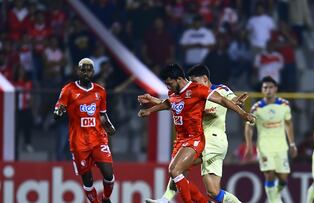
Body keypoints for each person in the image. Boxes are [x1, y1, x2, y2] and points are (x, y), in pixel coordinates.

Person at [138, 63, 255, 203]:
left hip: (213, 139)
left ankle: (166, 199)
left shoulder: (219, 90)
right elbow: (178, 104)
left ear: (205, 78)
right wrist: (152, 103)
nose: (191, 84)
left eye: (194, 81)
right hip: (205, 140)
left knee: (178, 168)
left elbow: (228, 99)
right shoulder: (192, 92)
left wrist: (239, 106)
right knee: (213, 192)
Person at [53, 58, 116, 203]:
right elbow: (58, 110)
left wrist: (109, 126)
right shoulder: (68, 90)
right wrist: (58, 112)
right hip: (79, 142)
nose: (86, 73)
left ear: (93, 72)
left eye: (89, 70)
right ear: (77, 71)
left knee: (109, 175)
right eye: (83, 70)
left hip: (98, 139)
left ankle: (106, 198)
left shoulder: (100, 91)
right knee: (88, 180)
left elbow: (102, 115)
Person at [244, 76, 297, 203]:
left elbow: (289, 124)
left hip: (281, 147)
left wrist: (292, 144)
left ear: (276, 89)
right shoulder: (257, 108)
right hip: (264, 147)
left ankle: (273, 196)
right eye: (265, 87)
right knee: (269, 174)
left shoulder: (284, 105)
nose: (268, 90)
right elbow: (249, 127)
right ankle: (274, 201)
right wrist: (249, 146)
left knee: (283, 179)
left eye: (271, 87)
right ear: (262, 90)